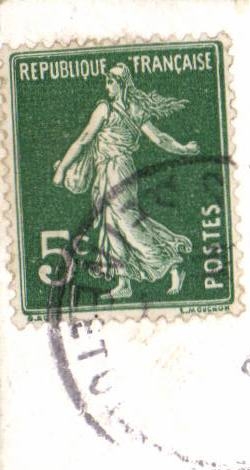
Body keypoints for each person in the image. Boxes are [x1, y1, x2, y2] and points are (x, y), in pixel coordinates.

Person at [52, 62, 198, 300]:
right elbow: (86, 139)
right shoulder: (127, 108)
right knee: (111, 224)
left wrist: (184, 149)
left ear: (119, 83)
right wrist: (184, 148)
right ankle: (124, 282)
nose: (106, 86)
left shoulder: (110, 109)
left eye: (110, 82)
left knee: (127, 222)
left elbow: (84, 139)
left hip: (119, 169)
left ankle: (172, 262)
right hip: (107, 170)